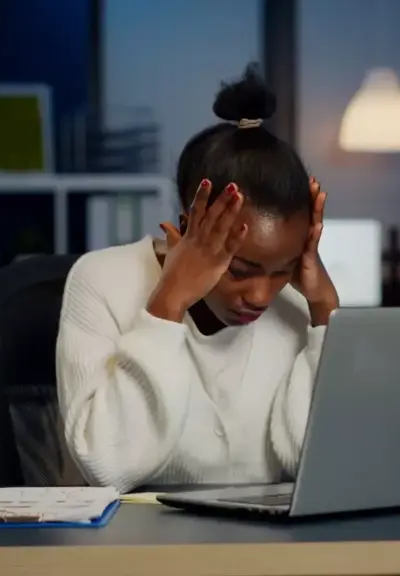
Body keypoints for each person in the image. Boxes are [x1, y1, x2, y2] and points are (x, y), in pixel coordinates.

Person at [56, 64, 339, 492]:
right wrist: (168, 302)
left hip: (268, 552)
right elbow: (107, 465)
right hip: (131, 550)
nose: (261, 295)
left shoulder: (301, 305)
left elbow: (319, 465)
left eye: (282, 271)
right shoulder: (102, 281)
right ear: (189, 228)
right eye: (240, 269)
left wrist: (326, 316)